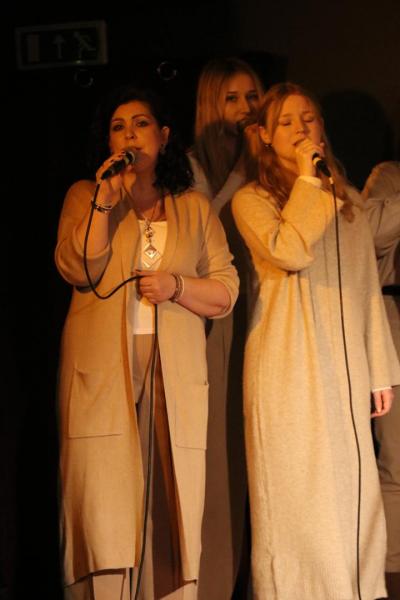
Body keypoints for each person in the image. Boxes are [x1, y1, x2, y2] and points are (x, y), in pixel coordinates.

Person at [55, 84, 239, 600]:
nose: (130, 135)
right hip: (101, 374)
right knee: (103, 509)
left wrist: (177, 286)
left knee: (169, 506)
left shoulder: (194, 207)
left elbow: (225, 289)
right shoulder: (86, 196)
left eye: (140, 124)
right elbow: (78, 267)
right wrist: (103, 201)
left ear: (163, 135)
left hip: (170, 372)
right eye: (118, 127)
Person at [231, 82, 400, 600]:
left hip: (344, 366)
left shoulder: (344, 199)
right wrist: (308, 182)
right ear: (264, 135)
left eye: (309, 118)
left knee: (353, 492)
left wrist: (379, 369)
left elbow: (367, 286)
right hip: (289, 365)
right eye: (286, 121)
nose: (301, 129)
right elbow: (290, 249)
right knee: (300, 502)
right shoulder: (251, 199)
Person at [188, 57, 264, 599]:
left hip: (269, 320)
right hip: (219, 324)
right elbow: (203, 229)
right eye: (232, 99)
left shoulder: (273, 166)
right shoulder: (193, 167)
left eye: (252, 97)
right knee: (222, 465)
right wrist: (242, 172)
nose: (244, 109)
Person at [362, 161, 400, 600]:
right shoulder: (389, 175)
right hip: (395, 328)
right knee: (396, 463)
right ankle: (391, 577)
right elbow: (367, 234)